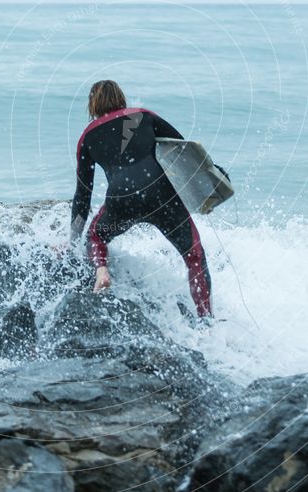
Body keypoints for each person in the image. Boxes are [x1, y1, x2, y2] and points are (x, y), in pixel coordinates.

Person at [70, 79, 213, 318]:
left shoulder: (87, 137)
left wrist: (72, 240)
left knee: (96, 236)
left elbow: (82, 195)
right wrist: (210, 184)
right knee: (194, 256)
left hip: (122, 202)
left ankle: (102, 271)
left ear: (92, 106)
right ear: (121, 98)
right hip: (163, 198)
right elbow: (184, 149)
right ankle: (206, 318)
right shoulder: (144, 116)